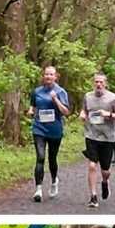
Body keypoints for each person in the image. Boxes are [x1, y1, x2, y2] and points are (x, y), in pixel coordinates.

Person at [78, 73, 115, 208]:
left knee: (105, 170)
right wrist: (82, 114)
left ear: (105, 84)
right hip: (91, 135)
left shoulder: (113, 98)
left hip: (108, 137)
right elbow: (84, 110)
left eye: (101, 82)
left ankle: (105, 182)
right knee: (92, 165)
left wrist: (109, 114)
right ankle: (93, 196)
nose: (98, 85)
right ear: (94, 83)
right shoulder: (88, 96)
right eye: (96, 82)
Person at [27, 66, 70, 202]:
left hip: (55, 130)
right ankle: (38, 189)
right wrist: (30, 111)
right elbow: (33, 105)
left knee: (52, 159)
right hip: (39, 128)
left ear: (56, 76)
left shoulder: (61, 91)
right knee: (40, 157)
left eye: (51, 74)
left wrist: (56, 100)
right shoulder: (37, 91)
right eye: (46, 74)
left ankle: (53, 181)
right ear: (43, 76)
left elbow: (66, 112)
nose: (48, 77)